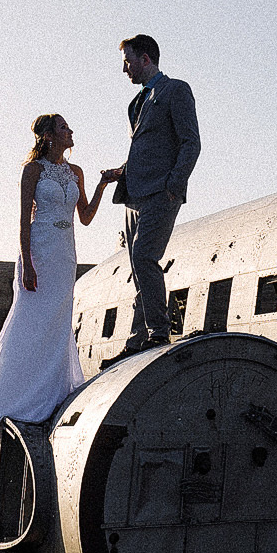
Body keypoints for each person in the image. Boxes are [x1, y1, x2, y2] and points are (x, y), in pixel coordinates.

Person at [0, 115, 116, 436]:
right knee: (29, 321)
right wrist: (27, 262)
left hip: (65, 256)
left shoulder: (75, 172)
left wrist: (102, 184)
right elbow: (24, 220)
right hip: (39, 251)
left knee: (57, 321)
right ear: (50, 135)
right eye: (65, 128)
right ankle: (13, 397)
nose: (71, 131)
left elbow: (87, 217)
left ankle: (50, 396)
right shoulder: (33, 171)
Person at [101, 34, 200, 360]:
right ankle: (135, 343)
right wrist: (121, 171)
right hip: (133, 195)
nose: (124, 68)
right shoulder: (136, 103)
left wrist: (175, 185)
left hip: (161, 192)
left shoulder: (176, 90)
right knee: (138, 267)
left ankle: (159, 334)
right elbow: (148, 149)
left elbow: (190, 142)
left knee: (145, 258)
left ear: (145, 59)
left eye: (127, 60)